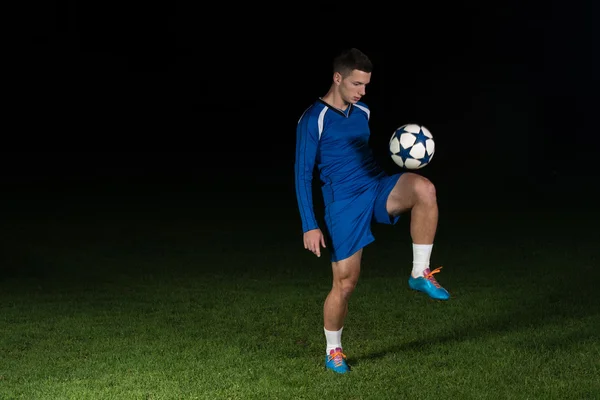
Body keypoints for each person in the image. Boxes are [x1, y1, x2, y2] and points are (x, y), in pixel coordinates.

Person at [294, 48, 450, 374]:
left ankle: (419, 273)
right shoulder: (313, 119)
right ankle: (333, 350)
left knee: (425, 189)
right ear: (337, 78)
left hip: (376, 187)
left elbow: (357, 153)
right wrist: (310, 224)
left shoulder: (362, 110)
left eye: (365, 85)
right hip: (343, 206)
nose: (362, 92)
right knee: (346, 283)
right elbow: (301, 174)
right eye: (356, 84)